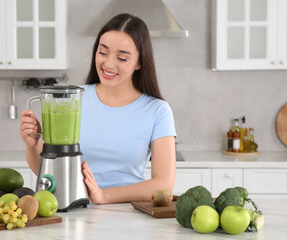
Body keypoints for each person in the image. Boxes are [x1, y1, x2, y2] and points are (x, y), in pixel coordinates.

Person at [19, 13, 176, 204]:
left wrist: (103, 195)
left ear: (139, 63)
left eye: (122, 58)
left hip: (129, 214)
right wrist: (33, 145)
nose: (109, 64)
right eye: (103, 52)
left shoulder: (157, 110)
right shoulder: (72, 98)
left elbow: (163, 185)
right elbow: (49, 174)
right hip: (73, 209)